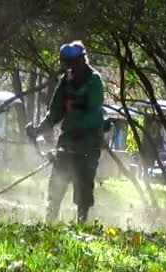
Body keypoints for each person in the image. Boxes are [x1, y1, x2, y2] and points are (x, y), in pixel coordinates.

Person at [26, 41, 107, 223]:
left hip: (88, 141)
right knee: (56, 184)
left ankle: (82, 223)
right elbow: (55, 112)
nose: (70, 68)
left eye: (73, 64)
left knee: (83, 187)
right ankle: (49, 221)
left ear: (82, 61)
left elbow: (92, 113)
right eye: (67, 65)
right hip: (67, 139)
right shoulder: (66, 81)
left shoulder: (94, 80)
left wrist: (78, 139)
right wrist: (39, 130)